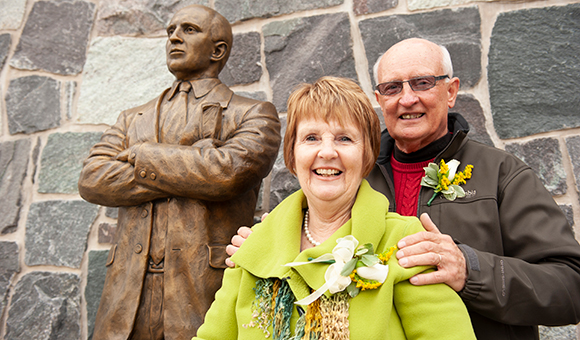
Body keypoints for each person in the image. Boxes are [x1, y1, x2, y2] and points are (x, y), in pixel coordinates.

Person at [228, 38, 580, 339]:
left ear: (452, 91)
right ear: (380, 100)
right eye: (393, 87)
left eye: (423, 83)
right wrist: (266, 246)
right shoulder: (348, 174)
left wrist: (470, 269)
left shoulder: (502, 175)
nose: (407, 98)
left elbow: (571, 286)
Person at [194, 76, 476, 339]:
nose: (326, 152)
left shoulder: (403, 241)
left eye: (344, 138)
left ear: (366, 153)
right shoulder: (254, 248)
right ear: (292, 153)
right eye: (311, 138)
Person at [78, 5, 280, 340]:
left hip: (202, 296)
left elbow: (227, 174)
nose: (174, 36)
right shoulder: (132, 118)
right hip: (125, 303)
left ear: (218, 50)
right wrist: (195, 167)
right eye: (171, 29)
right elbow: (92, 179)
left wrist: (142, 156)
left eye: (188, 29)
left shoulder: (253, 114)